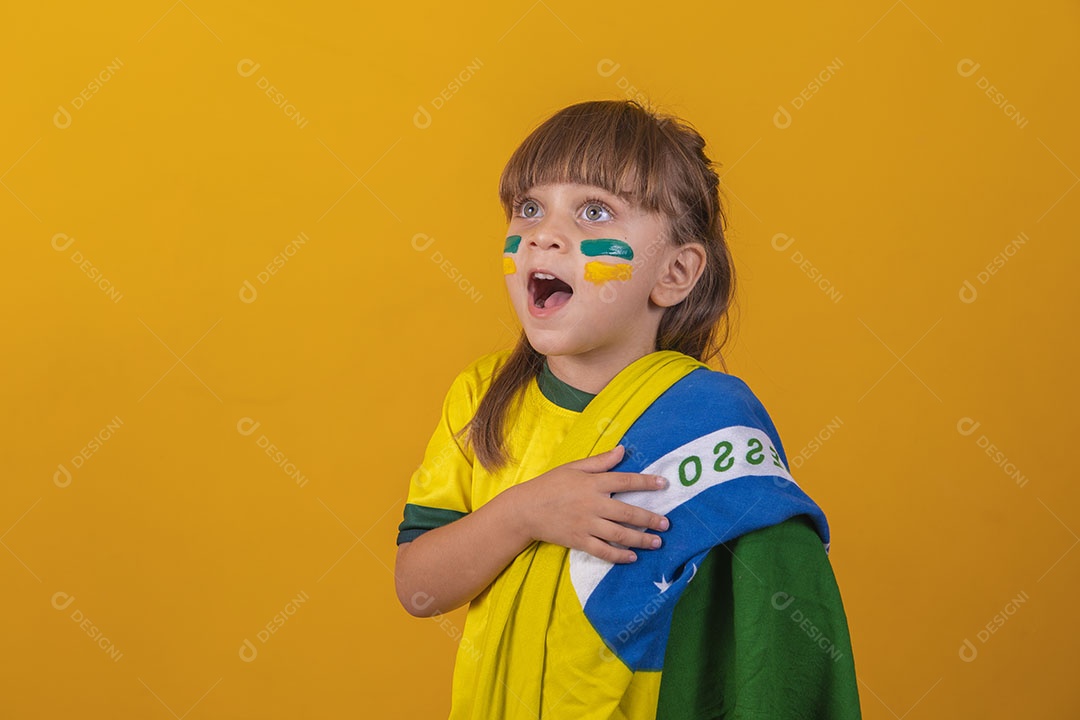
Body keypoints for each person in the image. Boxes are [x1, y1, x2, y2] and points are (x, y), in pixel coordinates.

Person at [394, 99, 861, 719]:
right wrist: (523, 514)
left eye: (593, 211)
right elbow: (418, 589)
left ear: (673, 273)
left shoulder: (708, 420)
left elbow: (770, 631)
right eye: (528, 208)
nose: (543, 233)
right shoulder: (480, 399)